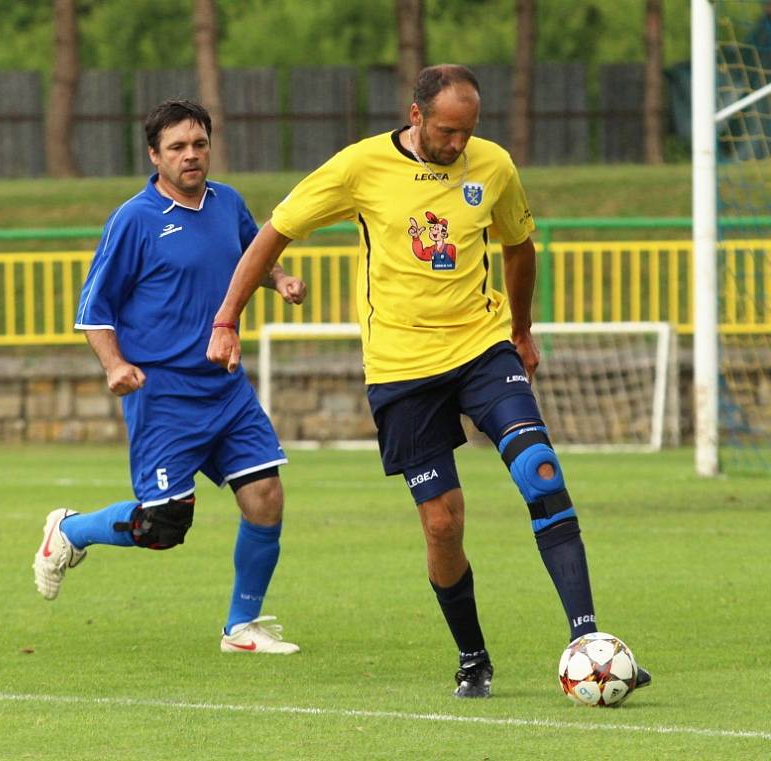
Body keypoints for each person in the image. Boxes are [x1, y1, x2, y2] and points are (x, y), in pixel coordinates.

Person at [206, 65, 652, 695]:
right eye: (447, 131)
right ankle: (473, 658)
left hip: (481, 347)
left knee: (540, 470)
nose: (458, 144)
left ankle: (588, 639)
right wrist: (227, 319)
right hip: (402, 370)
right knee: (443, 523)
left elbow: (520, 245)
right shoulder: (360, 166)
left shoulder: (492, 165)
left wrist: (521, 330)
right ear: (416, 116)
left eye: (467, 131)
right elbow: (275, 233)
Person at [32, 99, 304, 655]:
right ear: (155, 155)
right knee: (163, 528)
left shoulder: (228, 203)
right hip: (165, 396)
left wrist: (279, 279)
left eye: (199, 144)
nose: (191, 155)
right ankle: (69, 531)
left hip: (226, 387)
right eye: (177, 147)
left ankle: (241, 628)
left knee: (266, 496)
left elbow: (252, 254)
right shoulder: (134, 219)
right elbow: (94, 308)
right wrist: (114, 365)